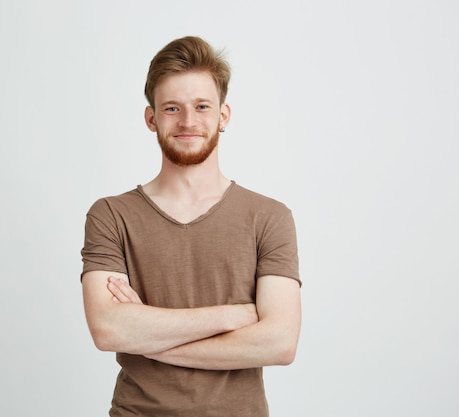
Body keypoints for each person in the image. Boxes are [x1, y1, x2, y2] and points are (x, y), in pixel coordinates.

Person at [80, 35, 301, 417]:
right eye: (171, 108)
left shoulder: (269, 217)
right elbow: (108, 330)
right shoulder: (111, 216)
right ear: (151, 118)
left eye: (202, 106)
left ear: (223, 115)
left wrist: (147, 338)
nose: (188, 121)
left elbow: (279, 343)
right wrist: (233, 315)